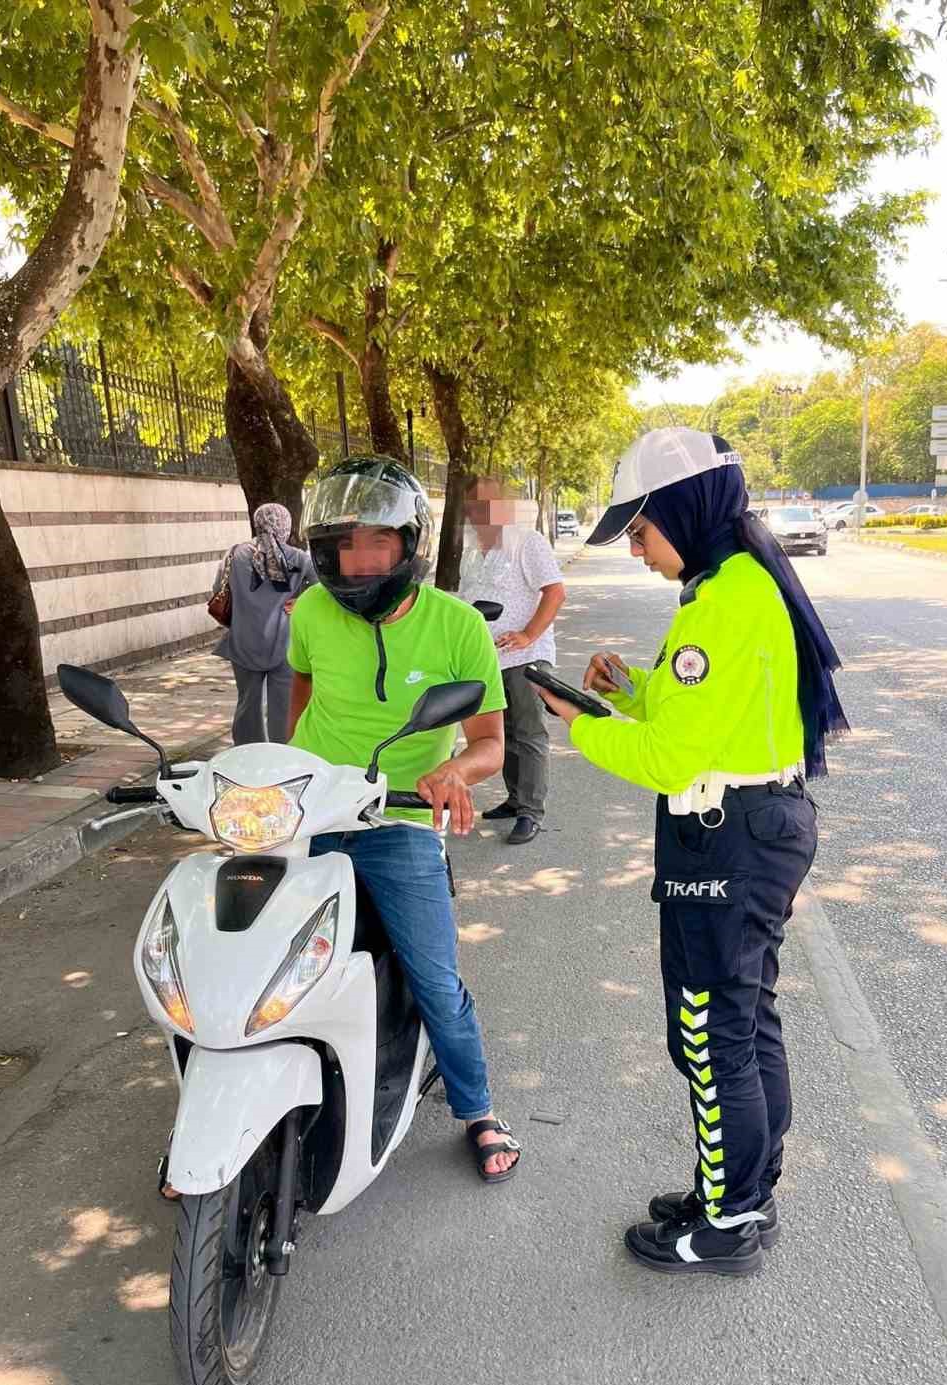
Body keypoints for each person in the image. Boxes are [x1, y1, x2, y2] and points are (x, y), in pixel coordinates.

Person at [536, 428, 848, 1275]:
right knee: (745, 1025)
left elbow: (670, 759)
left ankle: (727, 1221)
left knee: (711, 1039)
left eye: (641, 531)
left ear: (684, 510)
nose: (637, 551)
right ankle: (741, 1191)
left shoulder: (722, 604)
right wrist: (633, 688)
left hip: (727, 840)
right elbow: (708, 720)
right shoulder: (734, 582)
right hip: (752, 826)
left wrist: (581, 722)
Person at [287, 457, 521, 1182]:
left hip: (399, 819)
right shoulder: (312, 611)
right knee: (249, 956)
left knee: (435, 978)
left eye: (378, 543)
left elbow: (490, 743)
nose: (359, 561)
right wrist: (290, 770)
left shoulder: (457, 627)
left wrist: (454, 771)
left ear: (409, 546)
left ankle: (477, 1107)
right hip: (307, 813)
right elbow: (302, 687)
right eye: (345, 545)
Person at [459, 496, 566, 843]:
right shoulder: (472, 551)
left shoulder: (527, 541)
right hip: (487, 659)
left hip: (526, 656)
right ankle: (515, 799)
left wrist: (528, 634)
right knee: (502, 732)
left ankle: (531, 812)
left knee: (529, 732)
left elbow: (555, 592)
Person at [211, 502, 315, 744]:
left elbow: (218, 590)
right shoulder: (299, 559)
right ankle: (283, 752)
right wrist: (300, 601)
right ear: (286, 525)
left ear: (256, 523)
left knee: (248, 703)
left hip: (244, 641)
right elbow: (321, 591)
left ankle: (248, 752)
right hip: (285, 643)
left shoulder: (234, 554)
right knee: (284, 705)